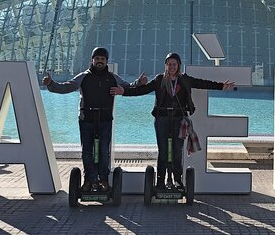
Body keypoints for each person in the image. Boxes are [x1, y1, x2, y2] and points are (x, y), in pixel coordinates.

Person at [111, 52, 234, 190]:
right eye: (169, 64)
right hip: (162, 118)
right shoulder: (159, 80)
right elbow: (143, 90)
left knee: (177, 150)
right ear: (166, 65)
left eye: (174, 64)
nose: (171, 67)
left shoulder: (185, 79)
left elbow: (202, 83)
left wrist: (221, 86)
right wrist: (124, 92)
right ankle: (160, 181)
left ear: (178, 65)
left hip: (179, 119)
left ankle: (177, 180)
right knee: (163, 151)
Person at [43, 47, 146, 193]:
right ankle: (89, 180)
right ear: (92, 60)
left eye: (102, 59)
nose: (99, 61)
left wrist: (139, 83)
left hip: (105, 119)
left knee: (104, 151)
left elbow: (128, 87)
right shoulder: (84, 76)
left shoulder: (112, 77)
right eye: (97, 58)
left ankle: (103, 180)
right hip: (87, 120)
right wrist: (50, 84)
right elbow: (66, 87)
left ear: (106, 61)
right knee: (86, 151)